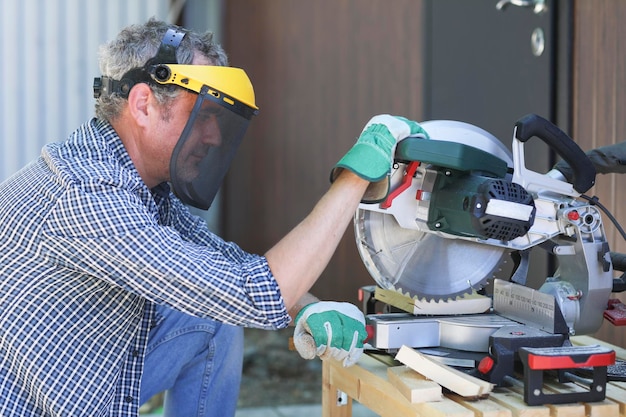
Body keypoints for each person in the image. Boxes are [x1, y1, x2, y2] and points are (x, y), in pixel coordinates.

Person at [0, 19, 428, 417]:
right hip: (38, 404)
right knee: (229, 305)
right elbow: (255, 292)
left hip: (82, 377)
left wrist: (308, 309)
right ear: (144, 103)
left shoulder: (136, 184)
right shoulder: (89, 197)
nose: (215, 135)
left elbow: (225, 264)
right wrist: (356, 177)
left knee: (213, 319)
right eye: (204, 114)